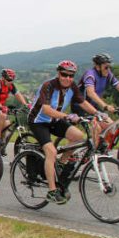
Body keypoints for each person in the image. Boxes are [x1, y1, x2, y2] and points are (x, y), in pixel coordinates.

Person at [28, 60, 100, 204]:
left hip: (55, 120)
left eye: (71, 76)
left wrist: (98, 113)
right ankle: (52, 191)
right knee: (51, 152)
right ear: (58, 73)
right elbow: (46, 109)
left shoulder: (72, 86)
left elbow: (83, 102)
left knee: (78, 137)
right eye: (64, 74)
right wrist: (67, 116)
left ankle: (61, 163)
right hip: (38, 122)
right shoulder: (48, 86)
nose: (67, 78)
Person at [76, 53, 119, 142]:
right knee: (97, 128)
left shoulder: (108, 74)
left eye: (109, 67)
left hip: (94, 106)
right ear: (98, 67)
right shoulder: (90, 75)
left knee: (112, 127)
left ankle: (102, 150)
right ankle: (93, 153)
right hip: (81, 106)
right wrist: (105, 106)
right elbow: (90, 93)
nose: (108, 69)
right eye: (106, 67)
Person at [0, 68, 29, 153]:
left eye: (12, 80)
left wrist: (26, 104)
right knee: (3, 115)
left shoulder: (10, 85)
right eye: (9, 79)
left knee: (7, 123)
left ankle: (1, 146)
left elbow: (18, 94)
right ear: (3, 78)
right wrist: (1, 106)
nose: (10, 81)